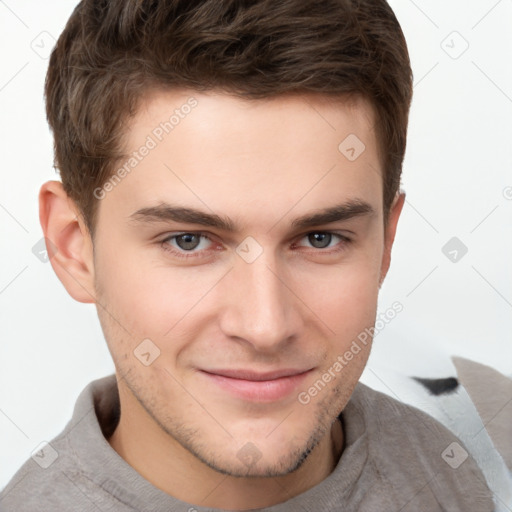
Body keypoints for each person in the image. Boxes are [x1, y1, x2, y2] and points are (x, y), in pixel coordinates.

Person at [0, 0, 499, 510]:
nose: (265, 327)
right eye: (188, 240)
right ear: (73, 247)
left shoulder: (465, 460)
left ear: (386, 243)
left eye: (321, 238)